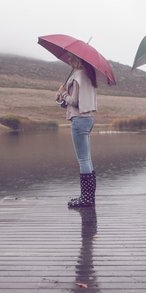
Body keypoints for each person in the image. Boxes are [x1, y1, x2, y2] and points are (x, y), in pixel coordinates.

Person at [56, 53, 98, 208]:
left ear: (79, 59)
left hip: (79, 120)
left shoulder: (78, 76)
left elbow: (74, 102)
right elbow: (73, 102)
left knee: (83, 160)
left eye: (71, 58)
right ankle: (88, 197)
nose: (68, 60)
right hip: (88, 119)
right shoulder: (89, 75)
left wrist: (64, 93)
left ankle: (86, 199)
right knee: (87, 159)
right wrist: (61, 98)